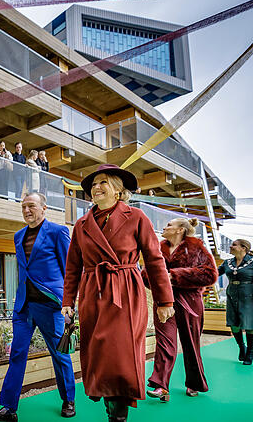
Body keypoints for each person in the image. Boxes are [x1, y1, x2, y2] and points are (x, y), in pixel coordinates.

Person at [62, 164, 174, 422]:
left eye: (103, 182)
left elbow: (155, 260)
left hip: (125, 291)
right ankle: (111, 408)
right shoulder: (81, 224)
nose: (96, 187)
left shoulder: (136, 217)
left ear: (118, 190)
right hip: (93, 292)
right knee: (99, 354)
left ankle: (118, 415)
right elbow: (73, 266)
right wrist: (68, 300)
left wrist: (164, 300)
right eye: (93, 185)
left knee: (120, 355)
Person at [0, 193, 77, 421]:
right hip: (24, 306)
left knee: (61, 354)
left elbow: (70, 270)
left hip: (51, 306)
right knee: (17, 353)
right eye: (23, 206)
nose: (27, 210)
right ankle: (8, 408)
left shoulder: (58, 232)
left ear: (44, 208)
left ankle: (68, 400)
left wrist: (70, 303)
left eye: (31, 206)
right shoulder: (18, 236)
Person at [143, 218, 218, 402]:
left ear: (180, 230)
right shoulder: (158, 248)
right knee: (164, 342)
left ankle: (194, 382)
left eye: (169, 225)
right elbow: (146, 274)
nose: (165, 226)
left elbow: (210, 274)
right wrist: (159, 280)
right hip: (163, 301)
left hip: (190, 301)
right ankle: (160, 385)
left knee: (191, 343)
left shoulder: (197, 248)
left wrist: (175, 275)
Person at [218, 239, 253, 365]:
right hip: (232, 295)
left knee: (249, 325)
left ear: (244, 248)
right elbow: (213, 273)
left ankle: (250, 352)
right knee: (234, 324)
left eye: (234, 245)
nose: (231, 246)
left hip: (249, 295)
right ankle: (242, 347)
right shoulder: (227, 262)